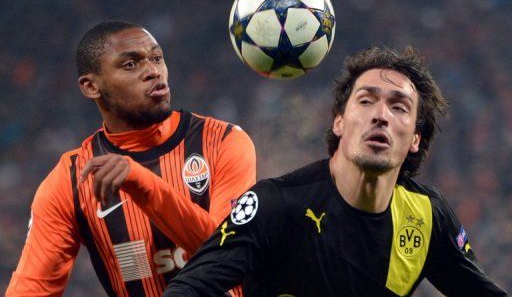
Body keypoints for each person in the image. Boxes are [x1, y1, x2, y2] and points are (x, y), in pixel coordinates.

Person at [164, 47, 507, 296]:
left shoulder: (428, 217)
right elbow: (189, 290)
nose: (381, 115)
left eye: (399, 106)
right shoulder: (275, 204)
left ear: (415, 138)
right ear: (339, 122)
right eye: (366, 100)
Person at [6, 20, 256, 296]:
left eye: (157, 58)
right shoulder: (70, 180)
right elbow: (31, 289)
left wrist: (140, 181)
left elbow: (228, 255)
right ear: (91, 86)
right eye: (130, 65)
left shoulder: (222, 141)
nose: (152, 71)